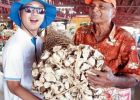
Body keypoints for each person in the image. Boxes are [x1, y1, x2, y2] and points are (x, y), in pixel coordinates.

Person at [73, 0, 140, 99]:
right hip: (83, 94)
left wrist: (114, 80)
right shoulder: (81, 33)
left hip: (112, 96)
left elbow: (135, 78)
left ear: (113, 12)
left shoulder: (125, 38)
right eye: (92, 6)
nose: (95, 9)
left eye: (102, 6)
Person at [2, 0, 56, 100]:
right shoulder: (14, 45)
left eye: (40, 10)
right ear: (19, 13)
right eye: (28, 9)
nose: (35, 14)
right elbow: (13, 86)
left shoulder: (39, 42)